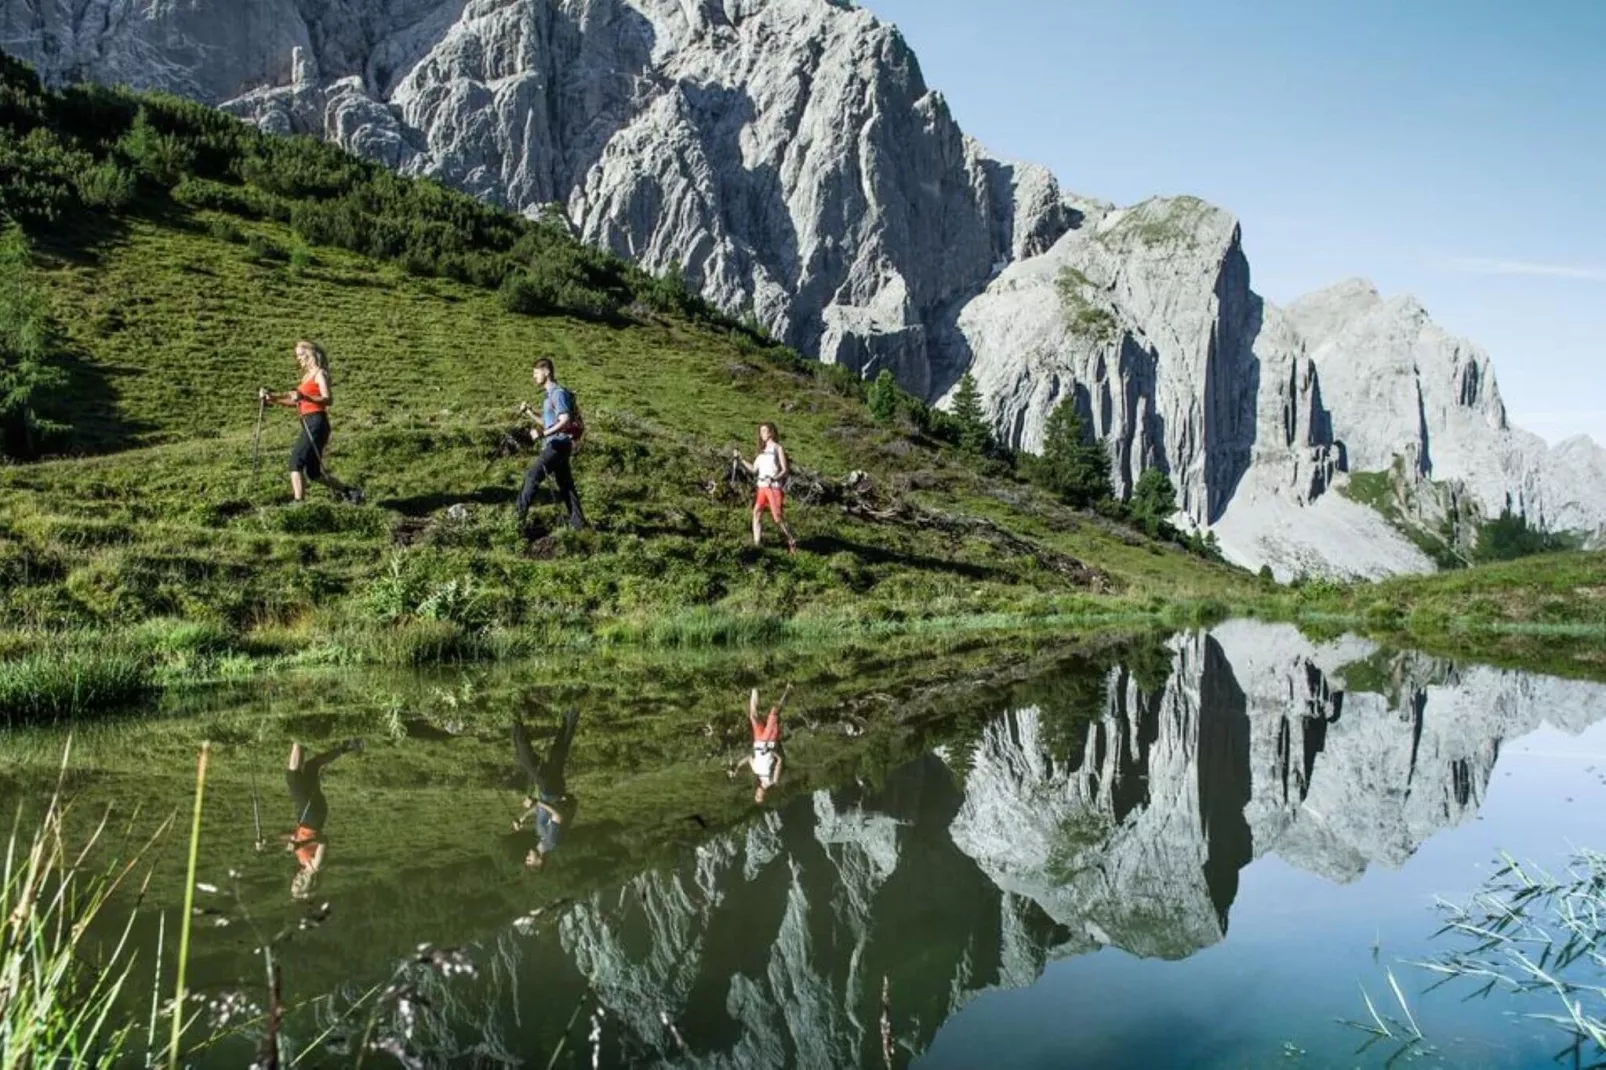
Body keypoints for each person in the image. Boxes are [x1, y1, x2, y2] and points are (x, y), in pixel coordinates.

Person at [263, 340, 362, 504]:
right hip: (308, 422)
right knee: (313, 473)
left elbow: (328, 399)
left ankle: (298, 503)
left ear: (310, 354)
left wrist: (304, 396)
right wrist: (273, 399)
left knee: (296, 461)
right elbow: (297, 401)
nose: (298, 359)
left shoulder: (320, 374)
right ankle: (350, 492)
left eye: (300, 355)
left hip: (317, 422)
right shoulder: (306, 377)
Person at [283, 737, 362, 900]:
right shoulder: (316, 865)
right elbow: (323, 841)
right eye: (298, 884)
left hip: (305, 819)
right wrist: (301, 843)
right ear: (308, 885)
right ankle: (298, 736)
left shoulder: (304, 863)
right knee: (292, 779)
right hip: (313, 817)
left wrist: (267, 842)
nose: (295, 879)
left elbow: (293, 838)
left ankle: (348, 746)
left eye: (293, 882)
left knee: (311, 767)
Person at [514, 358, 587, 533]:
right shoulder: (548, 396)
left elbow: (565, 420)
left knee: (532, 475)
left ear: (546, 371)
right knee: (566, 486)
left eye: (536, 373)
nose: (534, 377)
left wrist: (542, 434)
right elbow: (549, 423)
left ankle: (516, 522)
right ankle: (580, 526)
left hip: (558, 445)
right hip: (558, 444)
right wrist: (530, 413)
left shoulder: (557, 393)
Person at [512, 708, 580, 869]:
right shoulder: (551, 842)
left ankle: (571, 713)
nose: (527, 857)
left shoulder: (542, 838)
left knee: (558, 753)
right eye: (529, 860)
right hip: (551, 790)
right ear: (539, 861)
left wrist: (523, 817)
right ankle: (515, 717)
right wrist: (536, 801)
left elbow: (541, 811)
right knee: (526, 759)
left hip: (551, 790)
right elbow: (558, 815)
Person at [733, 423, 796, 552]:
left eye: (764, 431)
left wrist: (774, 478)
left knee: (777, 517)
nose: (762, 434)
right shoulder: (761, 452)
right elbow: (754, 469)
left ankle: (791, 540)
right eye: (760, 432)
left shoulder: (778, 448)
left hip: (773, 487)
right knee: (756, 512)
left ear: (771, 432)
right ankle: (757, 544)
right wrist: (741, 459)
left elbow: (785, 470)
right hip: (761, 486)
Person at [729, 685, 790, 804]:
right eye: (760, 796)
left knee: (753, 715)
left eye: (756, 795)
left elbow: (749, 758)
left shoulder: (756, 771)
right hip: (768, 741)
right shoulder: (773, 780)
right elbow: (780, 761)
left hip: (758, 741)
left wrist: (737, 767)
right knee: (774, 712)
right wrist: (771, 751)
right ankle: (789, 691)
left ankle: (754, 687)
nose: (758, 793)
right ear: (765, 795)